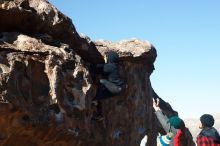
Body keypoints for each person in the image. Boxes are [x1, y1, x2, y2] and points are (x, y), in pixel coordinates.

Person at [90, 51, 124, 121]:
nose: (106, 58)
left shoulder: (110, 66)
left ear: (110, 58)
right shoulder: (115, 66)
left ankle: (95, 100)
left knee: (101, 81)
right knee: (98, 97)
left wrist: (89, 65)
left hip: (115, 88)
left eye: (107, 57)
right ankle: (100, 115)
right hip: (117, 89)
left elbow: (96, 69)